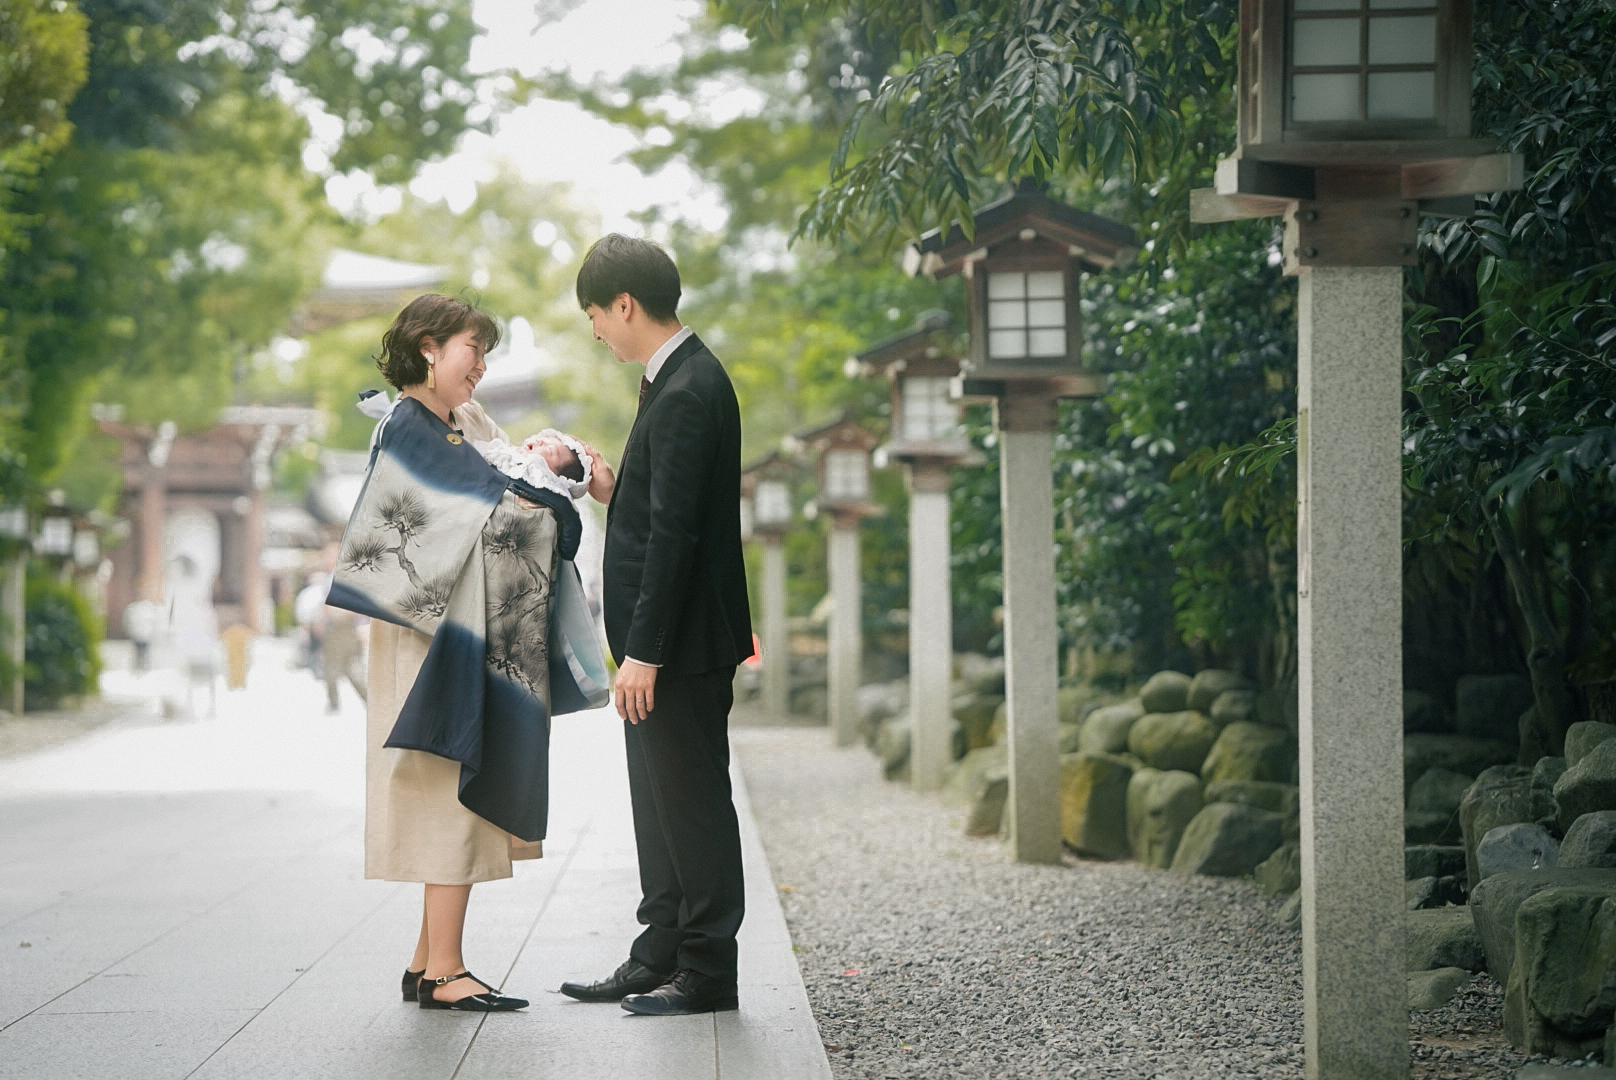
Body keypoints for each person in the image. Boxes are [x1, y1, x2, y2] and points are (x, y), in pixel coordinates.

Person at [329, 293, 600, 1013]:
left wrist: (544, 492)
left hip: (451, 630)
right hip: (435, 638)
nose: (481, 365)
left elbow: (506, 492)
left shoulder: (445, 425)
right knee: (446, 786)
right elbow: (495, 511)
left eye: (485, 352)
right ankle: (447, 970)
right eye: (471, 349)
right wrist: (551, 503)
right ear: (427, 347)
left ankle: (428, 961)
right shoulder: (413, 429)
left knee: (443, 786)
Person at [558, 234, 754, 1016]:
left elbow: (679, 535)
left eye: (595, 317)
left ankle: (707, 969)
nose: (597, 332)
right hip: (668, 644)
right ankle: (660, 950)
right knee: (660, 802)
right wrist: (614, 488)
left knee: (692, 804)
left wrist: (643, 652)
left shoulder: (686, 389)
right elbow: (669, 509)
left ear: (624, 305)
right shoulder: (677, 380)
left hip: (676, 647)